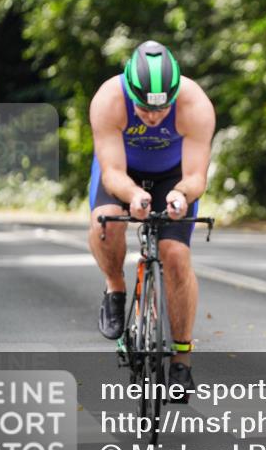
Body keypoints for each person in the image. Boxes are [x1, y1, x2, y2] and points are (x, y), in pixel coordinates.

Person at [88, 40, 214, 400]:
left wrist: (181, 195)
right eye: (144, 108)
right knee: (107, 221)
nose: (154, 116)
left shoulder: (196, 104)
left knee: (175, 255)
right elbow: (111, 171)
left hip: (173, 175)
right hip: (122, 172)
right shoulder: (108, 100)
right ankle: (115, 287)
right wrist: (132, 196)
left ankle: (181, 362)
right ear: (130, 92)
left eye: (162, 108)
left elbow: (195, 177)